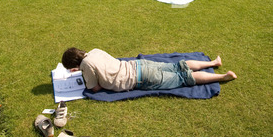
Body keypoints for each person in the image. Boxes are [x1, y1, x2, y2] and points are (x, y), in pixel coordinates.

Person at [61, 47, 237, 93]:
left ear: (74, 66)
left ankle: (223, 77)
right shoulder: (94, 51)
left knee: (183, 77)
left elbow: (95, 87)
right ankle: (213, 62)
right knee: (178, 66)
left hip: (141, 78)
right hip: (138, 65)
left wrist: (82, 73)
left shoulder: (86, 66)